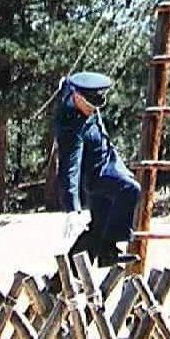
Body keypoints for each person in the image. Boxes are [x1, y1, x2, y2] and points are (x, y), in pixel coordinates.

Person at [52, 71, 141, 272]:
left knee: (98, 230)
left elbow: (67, 85)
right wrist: (72, 208)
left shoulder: (78, 97)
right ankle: (108, 251)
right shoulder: (70, 126)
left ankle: (62, 281)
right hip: (97, 175)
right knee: (130, 189)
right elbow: (69, 168)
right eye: (90, 104)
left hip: (108, 162)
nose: (93, 109)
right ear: (77, 97)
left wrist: (66, 82)